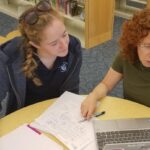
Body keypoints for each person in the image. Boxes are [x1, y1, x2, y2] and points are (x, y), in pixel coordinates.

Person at [0, 0, 82, 117]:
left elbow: (72, 89)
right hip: (24, 118)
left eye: (64, 34)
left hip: (58, 115)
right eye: (54, 43)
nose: (64, 45)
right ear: (35, 44)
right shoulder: (10, 56)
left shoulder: (73, 47)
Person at [81, 8, 150, 119]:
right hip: (131, 115)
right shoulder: (127, 55)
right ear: (136, 42)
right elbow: (106, 85)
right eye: (148, 46)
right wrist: (93, 96)